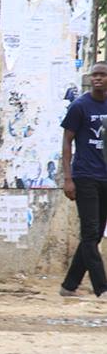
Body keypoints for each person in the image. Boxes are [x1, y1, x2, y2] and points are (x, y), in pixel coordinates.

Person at [59, 61, 107, 299]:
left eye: (103, 75)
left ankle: (69, 285)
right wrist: (68, 178)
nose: (98, 79)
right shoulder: (80, 106)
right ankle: (102, 287)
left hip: (105, 177)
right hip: (84, 175)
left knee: (96, 234)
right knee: (90, 232)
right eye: (95, 75)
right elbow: (67, 141)